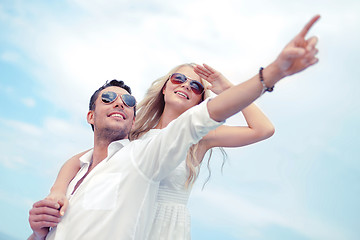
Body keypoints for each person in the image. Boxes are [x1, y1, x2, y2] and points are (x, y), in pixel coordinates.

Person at [28, 14, 320, 240]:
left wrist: (226, 88)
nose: (186, 86)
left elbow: (263, 129)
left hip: (167, 224)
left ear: (200, 101)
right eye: (178, 79)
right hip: (127, 216)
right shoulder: (137, 136)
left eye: (195, 86)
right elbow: (83, 159)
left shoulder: (201, 137)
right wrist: (58, 191)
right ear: (164, 88)